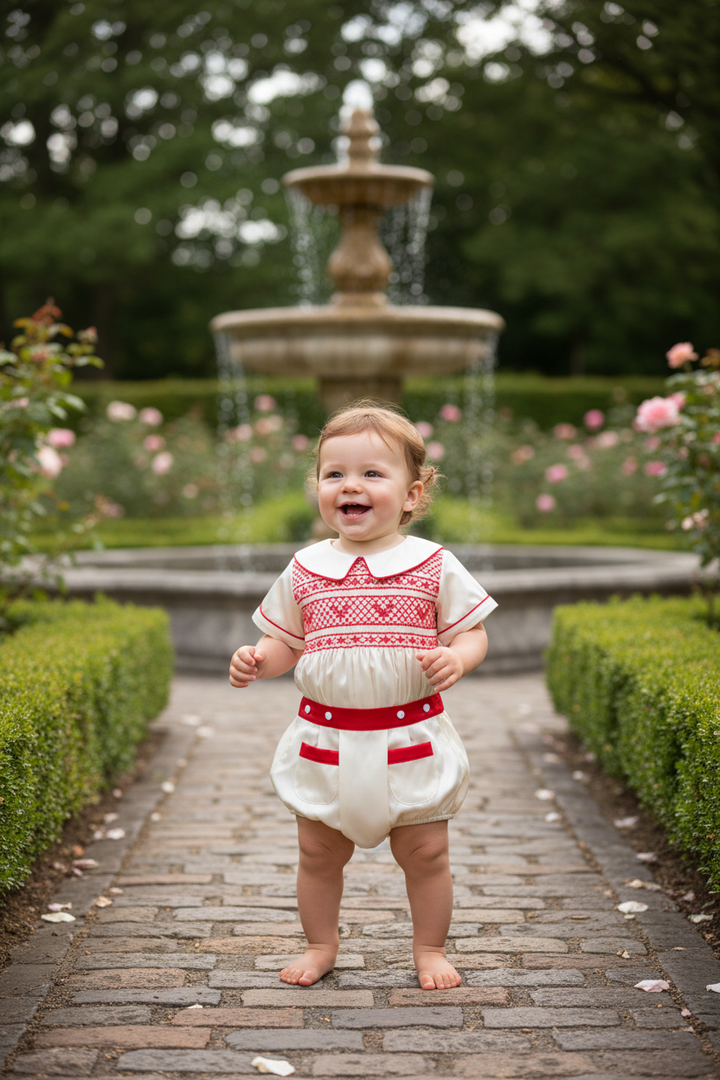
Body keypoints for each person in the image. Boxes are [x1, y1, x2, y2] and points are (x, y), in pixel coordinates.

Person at [229, 402, 497, 990]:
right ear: (319, 488)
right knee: (318, 853)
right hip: (325, 737)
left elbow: (473, 631)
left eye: (373, 473)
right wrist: (258, 660)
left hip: (410, 736)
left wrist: (457, 656)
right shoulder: (305, 569)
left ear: (413, 495)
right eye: (334, 474)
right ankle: (321, 943)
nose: (351, 485)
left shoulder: (433, 564)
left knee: (426, 853)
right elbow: (284, 642)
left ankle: (429, 947)